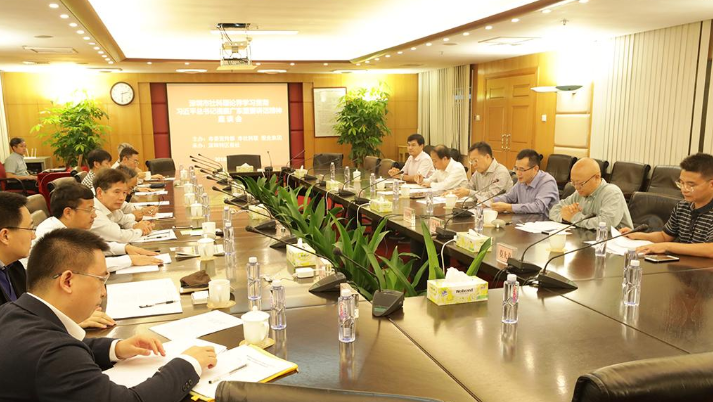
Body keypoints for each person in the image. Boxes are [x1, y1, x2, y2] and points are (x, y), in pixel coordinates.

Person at [0, 228, 217, 401]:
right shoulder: (53, 353)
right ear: (67, 281)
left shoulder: (12, 312)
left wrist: (116, 348)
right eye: (100, 280)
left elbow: (70, 347)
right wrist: (188, 364)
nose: (104, 292)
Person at [37, 182, 162, 273]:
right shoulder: (51, 235)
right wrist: (130, 260)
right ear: (68, 212)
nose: (94, 215)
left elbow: (92, 248)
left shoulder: (72, 227)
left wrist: (125, 248)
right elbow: (85, 264)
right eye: (89, 210)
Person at [623, 153, 713, 258]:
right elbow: (665, 236)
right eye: (681, 183)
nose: (684, 189)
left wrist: (667, 246)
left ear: (711, 184)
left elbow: (711, 250)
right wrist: (637, 235)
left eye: (691, 185)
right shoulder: (683, 206)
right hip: (684, 264)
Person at [549, 157, 633, 229]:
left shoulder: (612, 193)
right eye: (573, 183)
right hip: (587, 238)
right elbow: (554, 210)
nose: (576, 187)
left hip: (615, 241)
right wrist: (565, 217)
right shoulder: (579, 193)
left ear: (597, 177)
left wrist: (574, 218)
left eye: (581, 183)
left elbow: (606, 223)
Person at [91, 169, 153, 243]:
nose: (122, 198)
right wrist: (140, 230)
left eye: (124, 193)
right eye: (117, 192)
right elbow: (120, 236)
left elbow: (124, 220)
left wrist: (138, 225)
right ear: (100, 192)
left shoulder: (111, 207)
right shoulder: (93, 212)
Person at [491, 149, 559, 214]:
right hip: (524, 220)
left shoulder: (547, 182)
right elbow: (509, 197)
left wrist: (509, 207)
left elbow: (538, 207)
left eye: (522, 169)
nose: (518, 173)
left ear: (535, 169)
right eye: (516, 168)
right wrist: (490, 201)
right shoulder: (522, 180)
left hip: (543, 221)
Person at [447, 141, 513, 201]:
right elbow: (468, 188)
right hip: (480, 207)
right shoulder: (478, 172)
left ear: (487, 157)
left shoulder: (501, 172)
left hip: (499, 209)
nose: (474, 164)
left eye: (475, 160)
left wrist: (468, 192)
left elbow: (492, 196)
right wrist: (454, 192)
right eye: (471, 161)